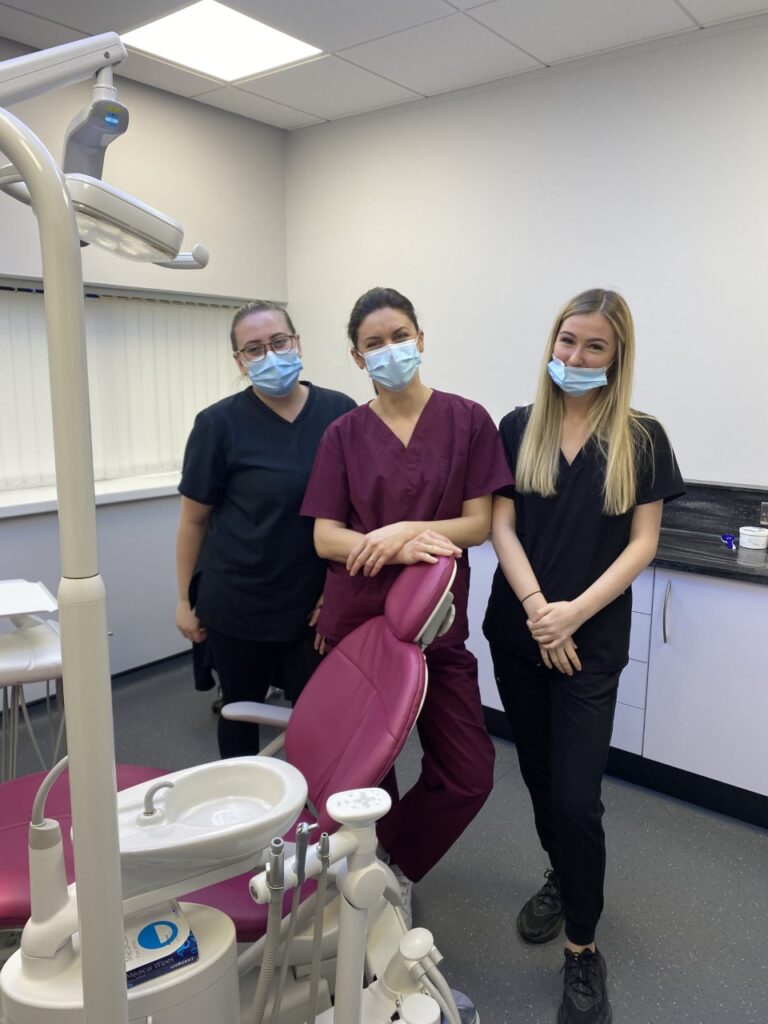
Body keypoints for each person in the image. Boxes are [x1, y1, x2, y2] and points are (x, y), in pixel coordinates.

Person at [483, 288, 684, 1024]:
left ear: (617, 355)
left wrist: (572, 615)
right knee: (540, 782)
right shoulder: (517, 427)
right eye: (567, 340)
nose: (574, 356)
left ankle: (582, 949)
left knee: (576, 795)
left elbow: (644, 544)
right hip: (521, 633)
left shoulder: (643, 436)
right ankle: (563, 877)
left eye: (594, 346)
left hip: (589, 643)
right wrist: (540, 611)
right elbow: (502, 528)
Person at [300, 286, 512, 918]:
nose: (388, 350)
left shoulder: (468, 420)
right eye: (373, 344)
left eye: (399, 337)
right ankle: (363, 886)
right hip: (360, 624)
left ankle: (391, 857)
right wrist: (387, 545)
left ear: (420, 340)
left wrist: (395, 535)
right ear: (357, 358)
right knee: (366, 777)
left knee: (469, 773)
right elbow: (324, 536)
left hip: (436, 627)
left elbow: (477, 523)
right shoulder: (342, 434)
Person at [175, 300, 356, 757]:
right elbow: (193, 521)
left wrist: (337, 591)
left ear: (297, 343)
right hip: (237, 601)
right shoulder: (217, 424)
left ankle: (311, 820)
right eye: (254, 349)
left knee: (320, 722)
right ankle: (242, 818)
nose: (270, 355)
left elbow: (358, 513)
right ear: (239, 361)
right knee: (240, 713)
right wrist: (183, 600)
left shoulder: (341, 412)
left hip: (312, 605)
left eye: (279, 342)